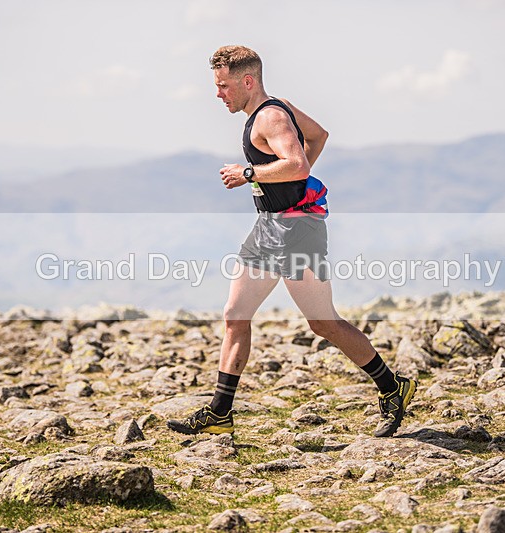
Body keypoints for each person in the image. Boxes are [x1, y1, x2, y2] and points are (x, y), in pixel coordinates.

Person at [167, 45, 416, 438]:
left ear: (248, 81)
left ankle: (392, 386)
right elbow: (318, 136)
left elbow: (297, 163)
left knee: (323, 322)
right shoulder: (275, 109)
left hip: (298, 231)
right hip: (269, 226)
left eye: (224, 86)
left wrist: (250, 174)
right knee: (235, 315)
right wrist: (289, 181)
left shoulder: (271, 117)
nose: (218, 94)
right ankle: (220, 412)